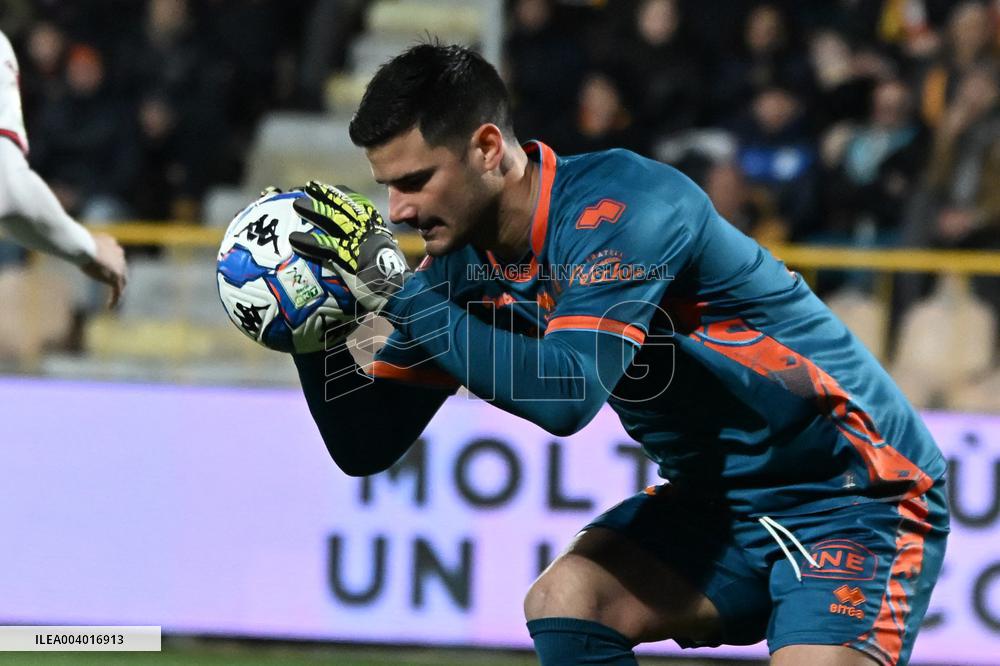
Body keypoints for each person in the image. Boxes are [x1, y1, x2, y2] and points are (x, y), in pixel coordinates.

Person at [289, 44, 948, 666]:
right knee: (567, 599)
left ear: (488, 147)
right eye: (388, 187)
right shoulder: (457, 271)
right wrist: (305, 324)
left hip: (854, 490)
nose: (397, 210)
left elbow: (566, 395)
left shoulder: (628, 208)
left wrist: (406, 299)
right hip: (715, 504)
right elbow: (366, 443)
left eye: (414, 181)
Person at [0, 29, 125, 306]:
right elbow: (20, 174)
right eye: (77, 69)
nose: (82, 74)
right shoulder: (53, 110)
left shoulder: (116, 115)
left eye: (88, 69)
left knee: (100, 214)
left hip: (95, 196)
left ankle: (94, 313)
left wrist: (80, 196)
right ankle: (9, 310)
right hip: (53, 194)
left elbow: (124, 173)